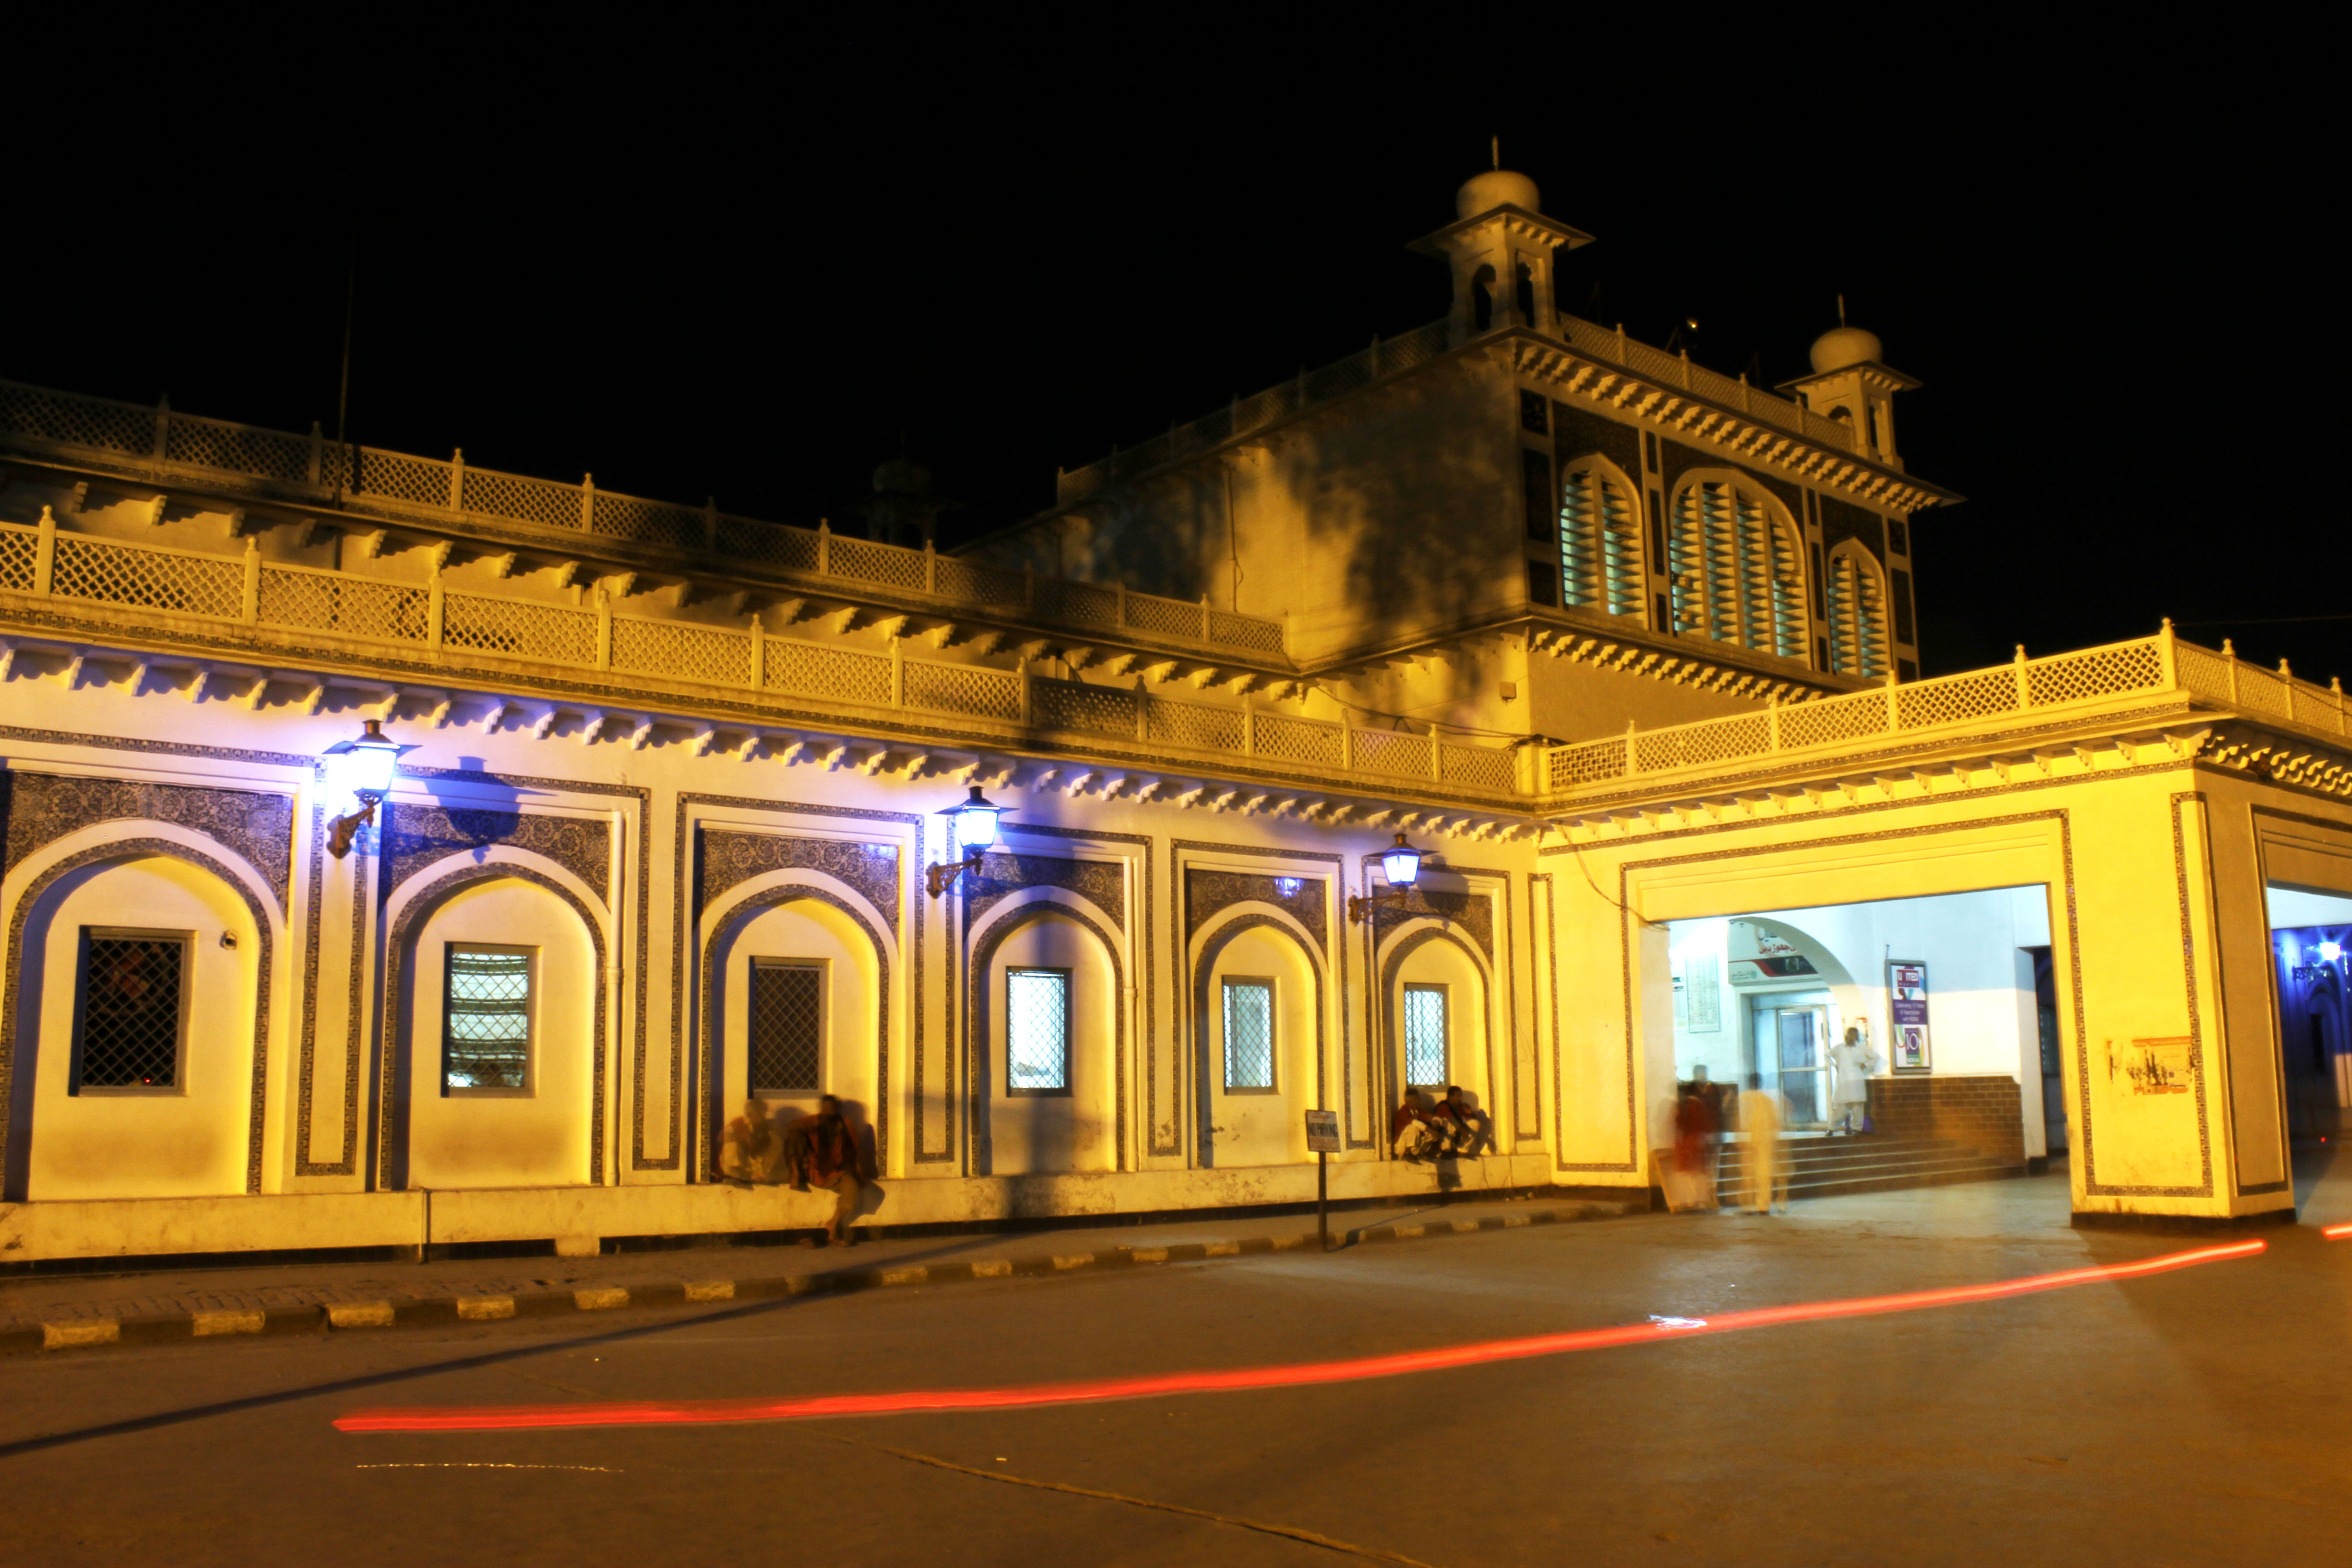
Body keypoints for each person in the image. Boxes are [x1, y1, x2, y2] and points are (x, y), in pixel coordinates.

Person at [804, 1094, 863, 1245]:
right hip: (816, 1173)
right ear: (821, 1109)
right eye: (825, 1109)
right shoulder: (811, 1125)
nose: (828, 1112)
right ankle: (833, 1231)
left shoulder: (846, 1126)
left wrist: (856, 1171)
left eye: (832, 1109)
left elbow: (854, 1151)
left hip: (839, 1173)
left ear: (837, 1111)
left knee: (853, 1187)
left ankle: (833, 1223)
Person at [1667, 1080, 1720, 1212]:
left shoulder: (1684, 1105)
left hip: (1686, 1142)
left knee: (1688, 1174)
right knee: (1699, 1174)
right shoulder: (1698, 1105)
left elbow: (1679, 1124)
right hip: (1698, 1142)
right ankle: (1700, 1201)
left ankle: (1691, 1201)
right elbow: (1705, 1125)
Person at [1737, 1072, 1784, 1215]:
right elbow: (1776, 1122)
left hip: (1749, 1139)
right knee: (1764, 1173)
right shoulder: (1768, 1100)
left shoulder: (1743, 1098)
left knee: (1748, 1174)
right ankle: (1763, 1205)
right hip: (1765, 1140)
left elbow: (1741, 1120)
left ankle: (1748, 1205)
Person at [1829, 1025, 1882, 1135]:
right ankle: (1832, 1128)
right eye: (1851, 1035)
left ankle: (1857, 1129)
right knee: (1841, 1108)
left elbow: (1876, 1057)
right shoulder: (1839, 1048)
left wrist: (1866, 1065)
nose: (1853, 1037)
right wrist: (1835, 1065)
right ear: (1847, 1036)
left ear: (1857, 1036)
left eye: (1855, 1035)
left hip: (1857, 1080)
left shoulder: (1862, 1048)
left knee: (1858, 1107)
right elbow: (1827, 1055)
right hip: (1843, 1081)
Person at [719, 1099, 783, 1186]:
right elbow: (721, 1137)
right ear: (749, 1115)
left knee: (777, 1141)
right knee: (731, 1146)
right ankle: (736, 1176)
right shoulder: (739, 1123)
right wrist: (741, 1138)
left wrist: (755, 1141)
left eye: (763, 1114)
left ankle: (762, 1176)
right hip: (743, 1165)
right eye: (758, 1114)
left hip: (759, 1164)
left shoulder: (769, 1125)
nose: (762, 1117)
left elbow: (760, 1145)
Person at [1436, 1085, 1494, 1158]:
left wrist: (1470, 1113)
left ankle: (1462, 1151)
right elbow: (1452, 1120)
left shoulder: (1460, 1107)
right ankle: (1447, 1150)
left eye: (1461, 1096)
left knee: (1475, 1123)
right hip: (1444, 1135)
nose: (1461, 1098)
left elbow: (1470, 1121)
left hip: (1457, 1134)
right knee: (1447, 1122)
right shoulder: (1443, 1106)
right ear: (1450, 1096)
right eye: (1458, 1096)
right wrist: (1463, 1132)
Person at [1392, 1090, 1441, 1161]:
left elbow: (1429, 1117)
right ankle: (1407, 1153)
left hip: (1415, 1145)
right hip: (1402, 1145)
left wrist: (1436, 1121)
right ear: (1409, 1101)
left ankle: (1423, 1153)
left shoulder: (1417, 1111)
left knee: (1431, 1132)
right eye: (1416, 1099)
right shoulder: (1403, 1111)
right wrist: (1430, 1130)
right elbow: (1414, 1122)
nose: (1419, 1101)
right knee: (1413, 1128)